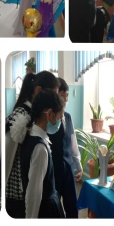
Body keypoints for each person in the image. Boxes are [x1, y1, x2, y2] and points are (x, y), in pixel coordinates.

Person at [5, 71, 59, 218]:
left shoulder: (35, 115)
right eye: (52, 94)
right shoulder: (22, 114)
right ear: (38, 91)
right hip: (17, 191)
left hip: (27, 185)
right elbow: (8, 155)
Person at [20, 89, 66, 218]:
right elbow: (34, 193)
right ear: (50, 114)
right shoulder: (40, 148)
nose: (60, 122)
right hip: (46, 211)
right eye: (60, 117)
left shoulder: (30, 135)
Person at [47, 78, 83, 218]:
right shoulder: (49, 119)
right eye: (63, 95)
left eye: (67, 95)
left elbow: (73, 142)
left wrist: (78, 165)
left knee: (72, 205)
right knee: (54, 207)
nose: (66, 99)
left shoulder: (68, 117)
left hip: (68, 168)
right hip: (53, 169)